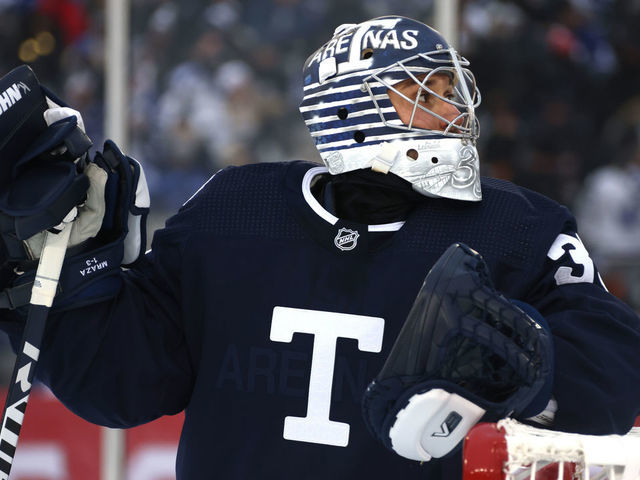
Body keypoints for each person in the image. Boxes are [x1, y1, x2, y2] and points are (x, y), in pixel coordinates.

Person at [1, 16, 639, 480]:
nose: (456, 110)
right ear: (352, 109)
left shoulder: (517, 228)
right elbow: (125, 384)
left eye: (452, 89)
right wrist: (58, 278)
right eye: (427, 92)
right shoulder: (233, 209)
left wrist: (532, 367)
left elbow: (620, 371)